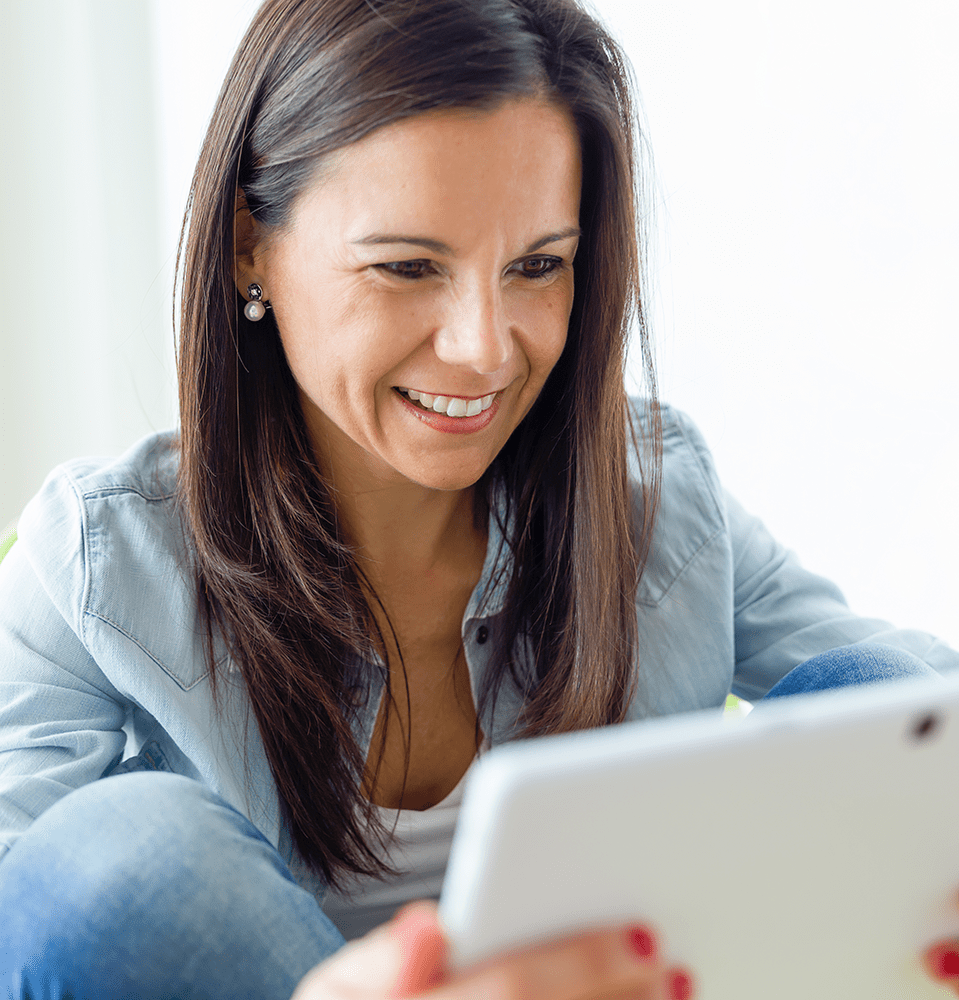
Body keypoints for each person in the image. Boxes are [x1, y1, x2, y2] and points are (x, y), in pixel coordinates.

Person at [1, 0, 958, 997]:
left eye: (536, 266)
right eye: (406, 266)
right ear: (250, 246)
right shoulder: (99, 566)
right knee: (122, 861)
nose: (484, 347)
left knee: (881, 699)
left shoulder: (653, 504)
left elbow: (920, 702)